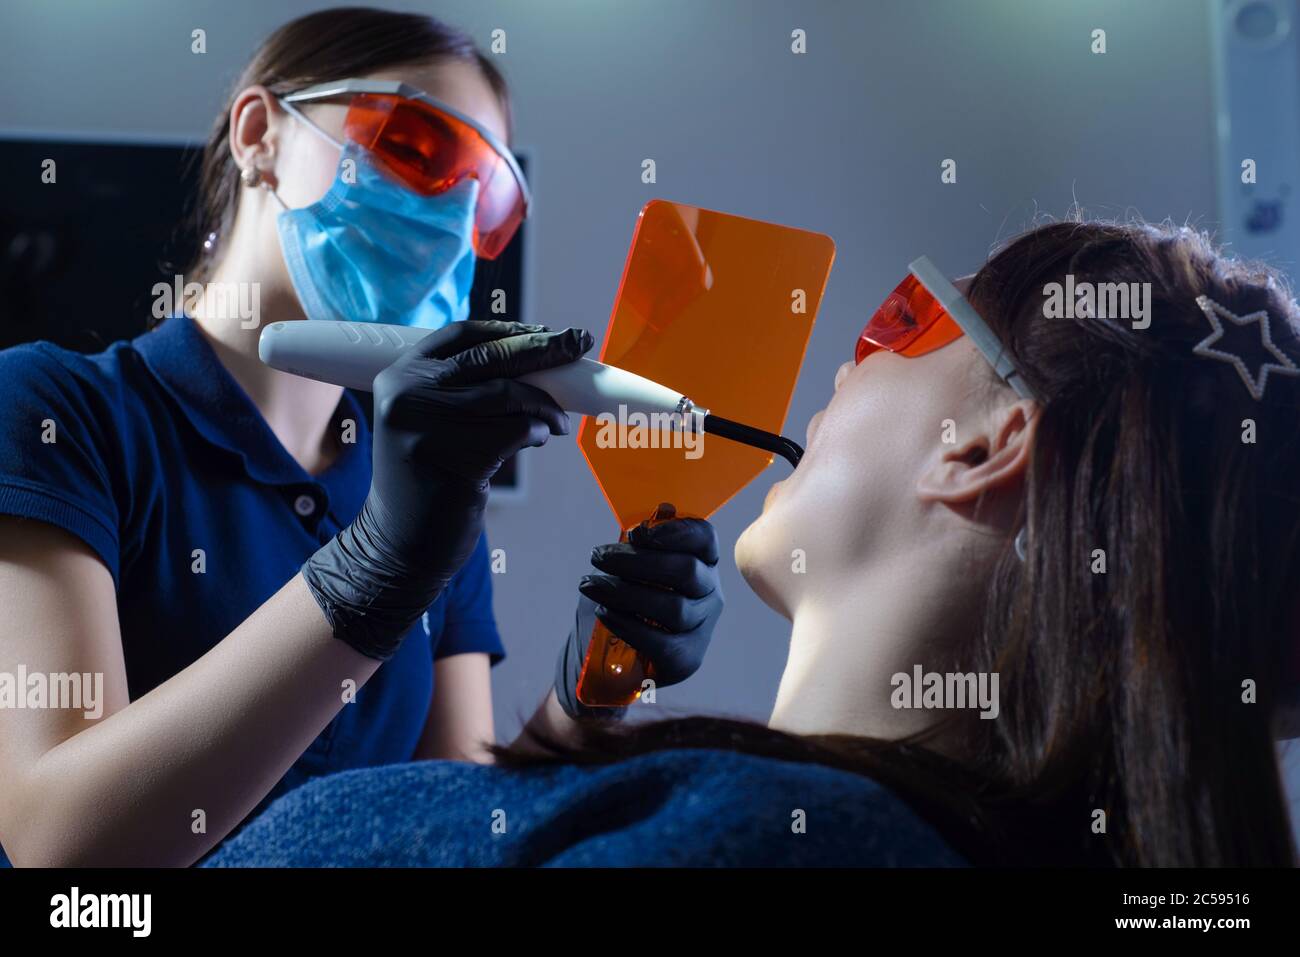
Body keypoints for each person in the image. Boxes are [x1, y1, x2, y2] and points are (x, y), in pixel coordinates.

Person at [206, 218, 1300, 867]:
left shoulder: (773, 839)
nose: (841, 368)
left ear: (980, 447)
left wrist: (374, 572)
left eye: (901, 324)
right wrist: (582, 717)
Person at [0, 8, 722, 867]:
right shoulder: (55, 409)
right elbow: (59, 846)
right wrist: (373, 571)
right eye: (416, 147)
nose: (452, 218)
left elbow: (459, 824)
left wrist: (592, 688)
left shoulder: (430, 491)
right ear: (260, 133)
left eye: (484, 196)